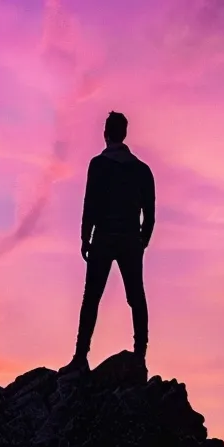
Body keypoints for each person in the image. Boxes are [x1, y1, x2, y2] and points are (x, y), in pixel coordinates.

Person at [67, 111, 155, 372]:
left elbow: (90, 203)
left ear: (106, 133)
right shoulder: (142, 170)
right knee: (136, 297)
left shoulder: (98, 165)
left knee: (91, 298)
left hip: (103, 238)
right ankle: (140, 354)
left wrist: (85, 236)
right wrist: (142, 241)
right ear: (124, 133)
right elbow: (149, 213)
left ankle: (80, 357)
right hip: (129, 240)